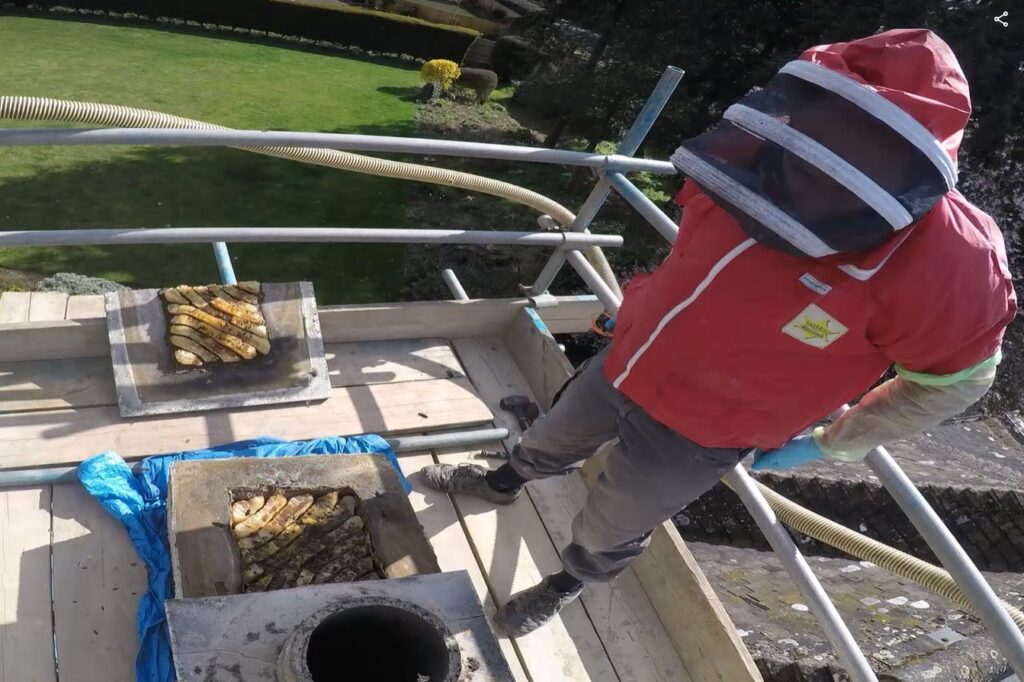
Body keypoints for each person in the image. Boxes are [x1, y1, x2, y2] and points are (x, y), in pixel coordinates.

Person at [421, 28, 1017, 636]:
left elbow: (953, 382)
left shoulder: (956, 264)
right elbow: (703, 267)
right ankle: (502, 483)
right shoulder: (756, 158)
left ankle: (566, 583)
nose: (826, 156)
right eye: (829, 126)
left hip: (704, 431)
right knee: (549, 437)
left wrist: (837, 440)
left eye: (862, 144)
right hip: (628, 362)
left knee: (611, 525)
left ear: (909, 159)